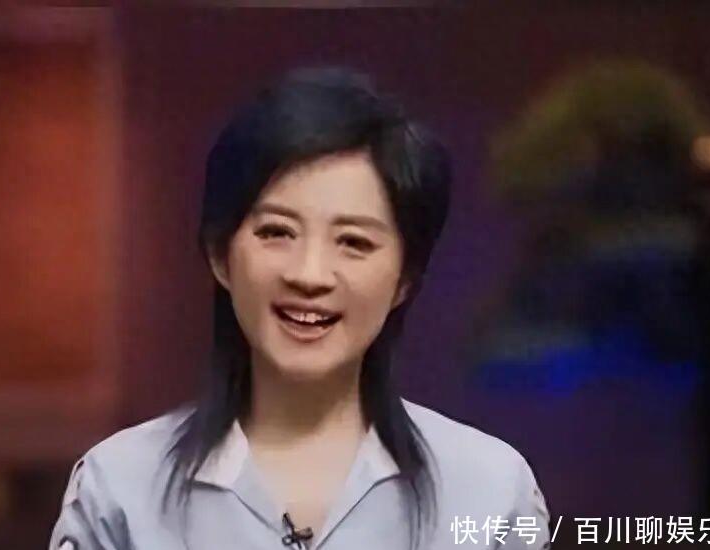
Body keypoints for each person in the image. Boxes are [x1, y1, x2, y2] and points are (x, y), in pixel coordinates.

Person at [48, 67, 550, 550]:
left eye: (353, 242)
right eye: (276, 232)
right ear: (221, 255)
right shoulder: (120, 489)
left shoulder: (488, 492)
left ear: (404, 280)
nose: (309, 275)